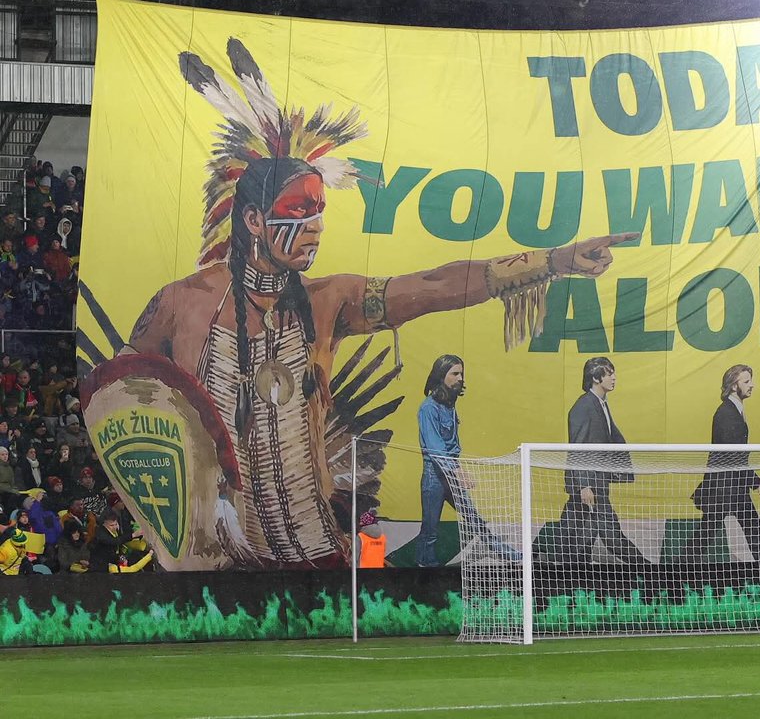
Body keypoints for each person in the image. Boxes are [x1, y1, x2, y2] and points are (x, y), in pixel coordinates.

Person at [94, 38, 634, 569]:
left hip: (314, 554)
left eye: (320, 211)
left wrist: (555, 261)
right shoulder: (181, 304)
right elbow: (120, 395)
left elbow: (434, 284)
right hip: (212, 559)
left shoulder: (328, 302)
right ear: (254, 220)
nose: (315, 228)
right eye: (298, 211)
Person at [414, 354, 518, 567]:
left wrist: (457, 468)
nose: (460, 378)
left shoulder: (449, 406)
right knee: (430, 528)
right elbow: (436, 448)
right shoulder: (428, 408)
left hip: (450, 474)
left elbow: (452, 445)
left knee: (474, 518)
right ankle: (424, 564)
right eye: (455, 373)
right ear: (441, 375)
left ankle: (501, 551)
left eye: (461, 373)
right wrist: (457, 471)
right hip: (435, 476)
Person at [682, 364, 760, 564]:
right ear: (734, 386)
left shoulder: (733, 410)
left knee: (746, 531)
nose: (752, 385)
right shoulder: (727, 414)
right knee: (711, 535)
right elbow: (733, 457)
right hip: (725, 487)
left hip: (731, 486)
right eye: (746, 381)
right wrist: (757, 483)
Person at [558, 356, 640, 568]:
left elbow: (611, 438)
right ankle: (648, 570)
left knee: (573, 533)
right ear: (596, 377)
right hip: (590, 483)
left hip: (596, 481)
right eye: (609, 373)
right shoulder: (584, 406)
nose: (614, 378)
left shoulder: (600, 404)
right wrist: (584, 485)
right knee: (610, 534)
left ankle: (571, 571)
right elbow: (579, 447)